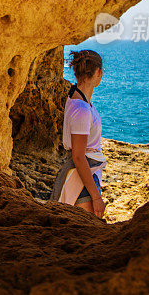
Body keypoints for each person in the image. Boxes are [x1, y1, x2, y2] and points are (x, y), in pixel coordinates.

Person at [50, 49, 106, 218]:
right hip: (81, 179)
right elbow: (79, 156)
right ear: (99, 72)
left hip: (84, 174)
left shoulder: (77, 99)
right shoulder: (82, 109)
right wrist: (96, 197)